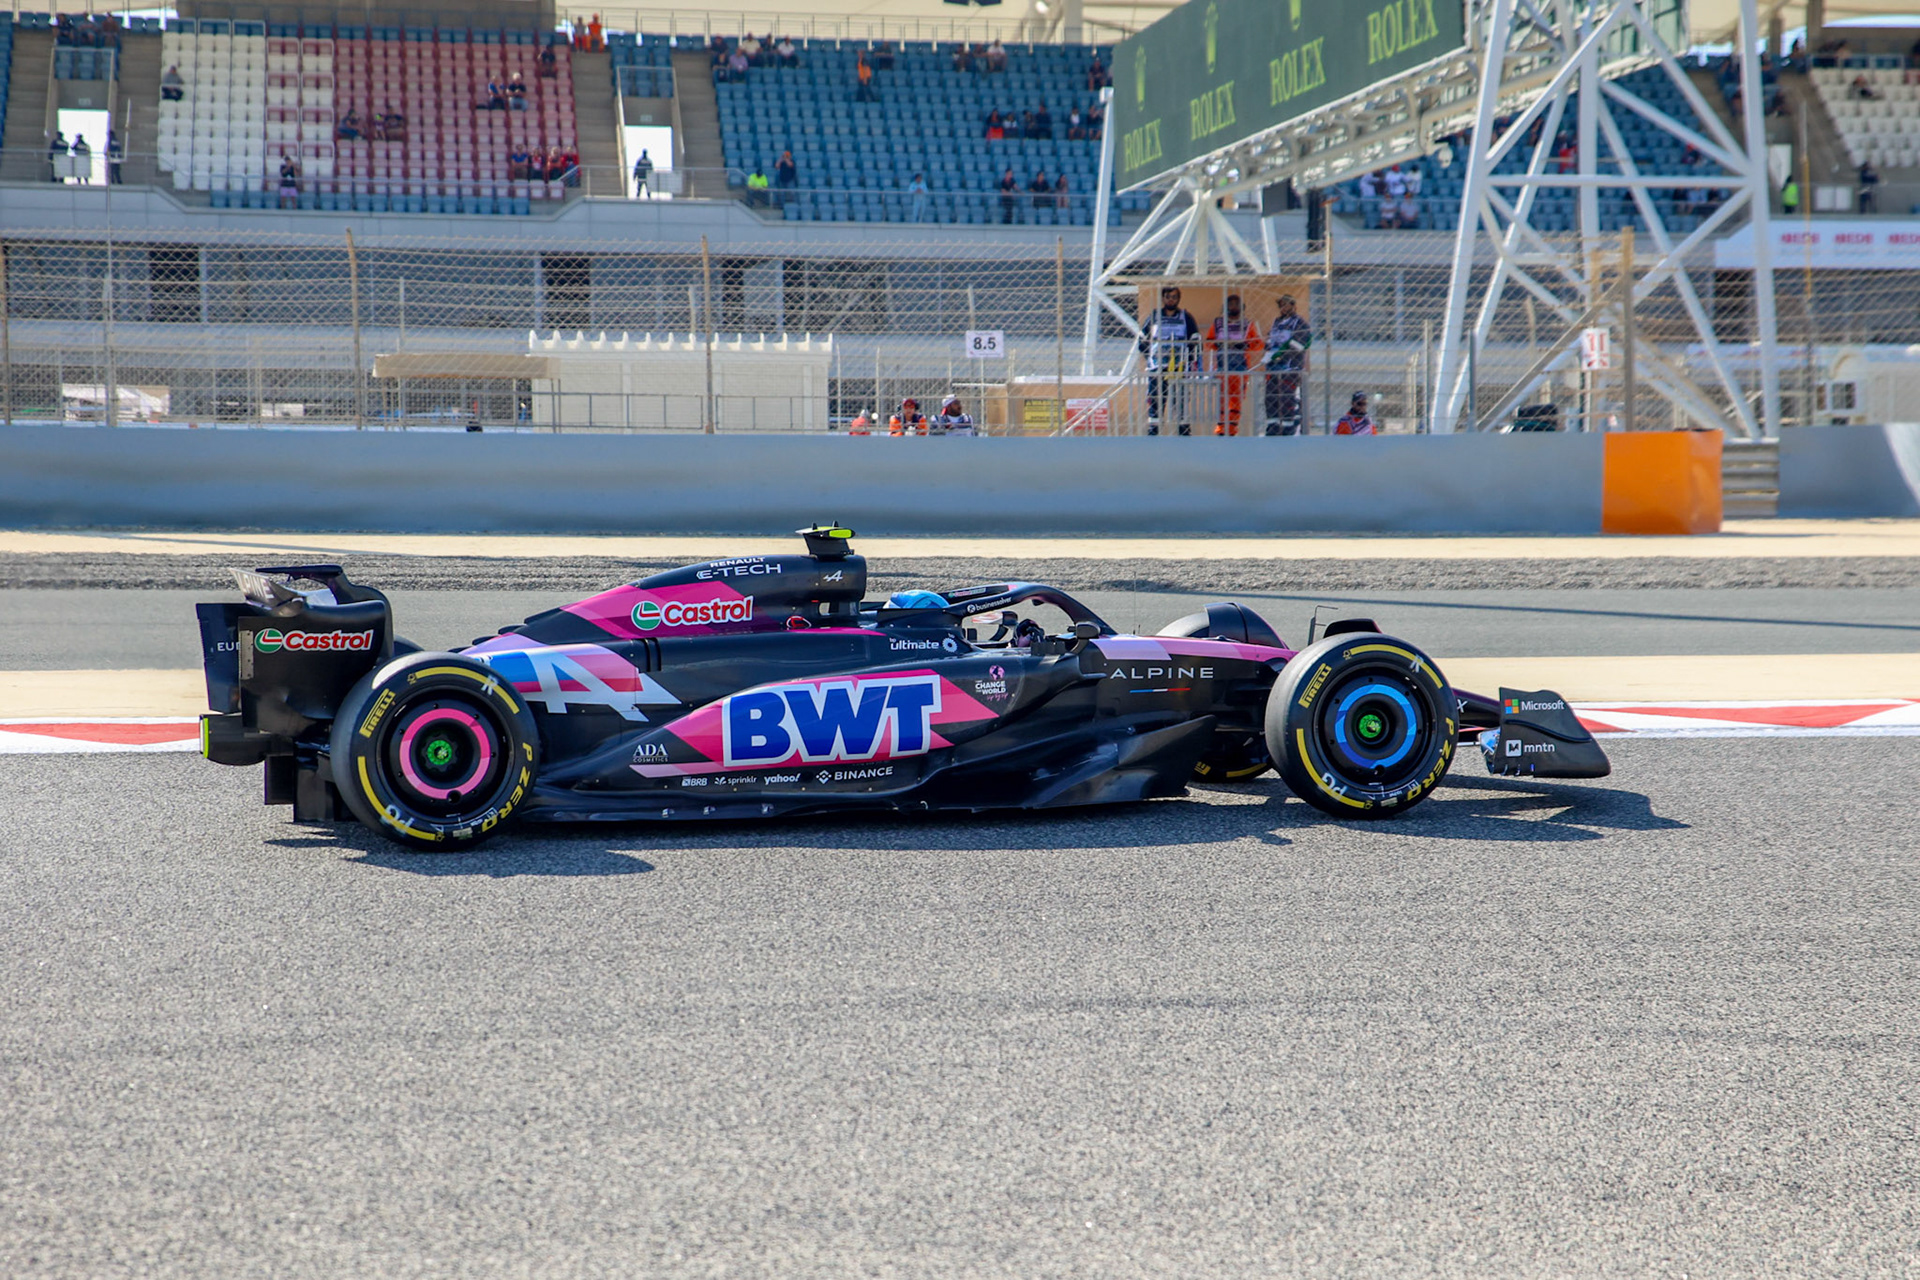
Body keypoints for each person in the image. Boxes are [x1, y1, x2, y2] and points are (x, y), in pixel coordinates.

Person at [1140, 285, 1201, 436]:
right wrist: (1150, 357)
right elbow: (1142, 340)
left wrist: (1190, 360)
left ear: (1178, 299)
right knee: (1156, 399)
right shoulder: (1154, 316)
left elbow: (1196, 341)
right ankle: (1153, 431)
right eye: (1168, 297)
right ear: (1163, 298)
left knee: (1180, 399)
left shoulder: (1186, 317)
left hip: (1180, 367)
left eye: (1174, 297)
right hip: (1158, 366)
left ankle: (1183, 431)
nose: (1171, 300)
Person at [1203, 294, 1264, 436]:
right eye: (1231, 304)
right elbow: (1209, 342)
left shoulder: (1247, 325)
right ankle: (1221, 429)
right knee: (1222, 399)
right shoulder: (1218, 323)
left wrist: (1242, 345)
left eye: (1237, 304)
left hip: (1240, 367)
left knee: (1236, 400)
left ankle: (1231, 429)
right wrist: (1221, 344)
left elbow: (1258, 344)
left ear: (1242, 308)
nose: (1233, 307)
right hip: (1223, 366)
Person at [1263, 294, 1312, 435]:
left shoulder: (1300, 323)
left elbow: (1298, 344)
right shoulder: (1276, 322)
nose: (1283, 308)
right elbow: (1270, 340)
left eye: (1286, 304)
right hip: (1273, 369)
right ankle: (1272, 428)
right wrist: (1268, 352)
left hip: (1290, 368)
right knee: (1271, 399)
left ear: (1293, 306)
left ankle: (1287, 429)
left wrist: (1280, 354)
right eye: (1281, 305)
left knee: (1286, 399)